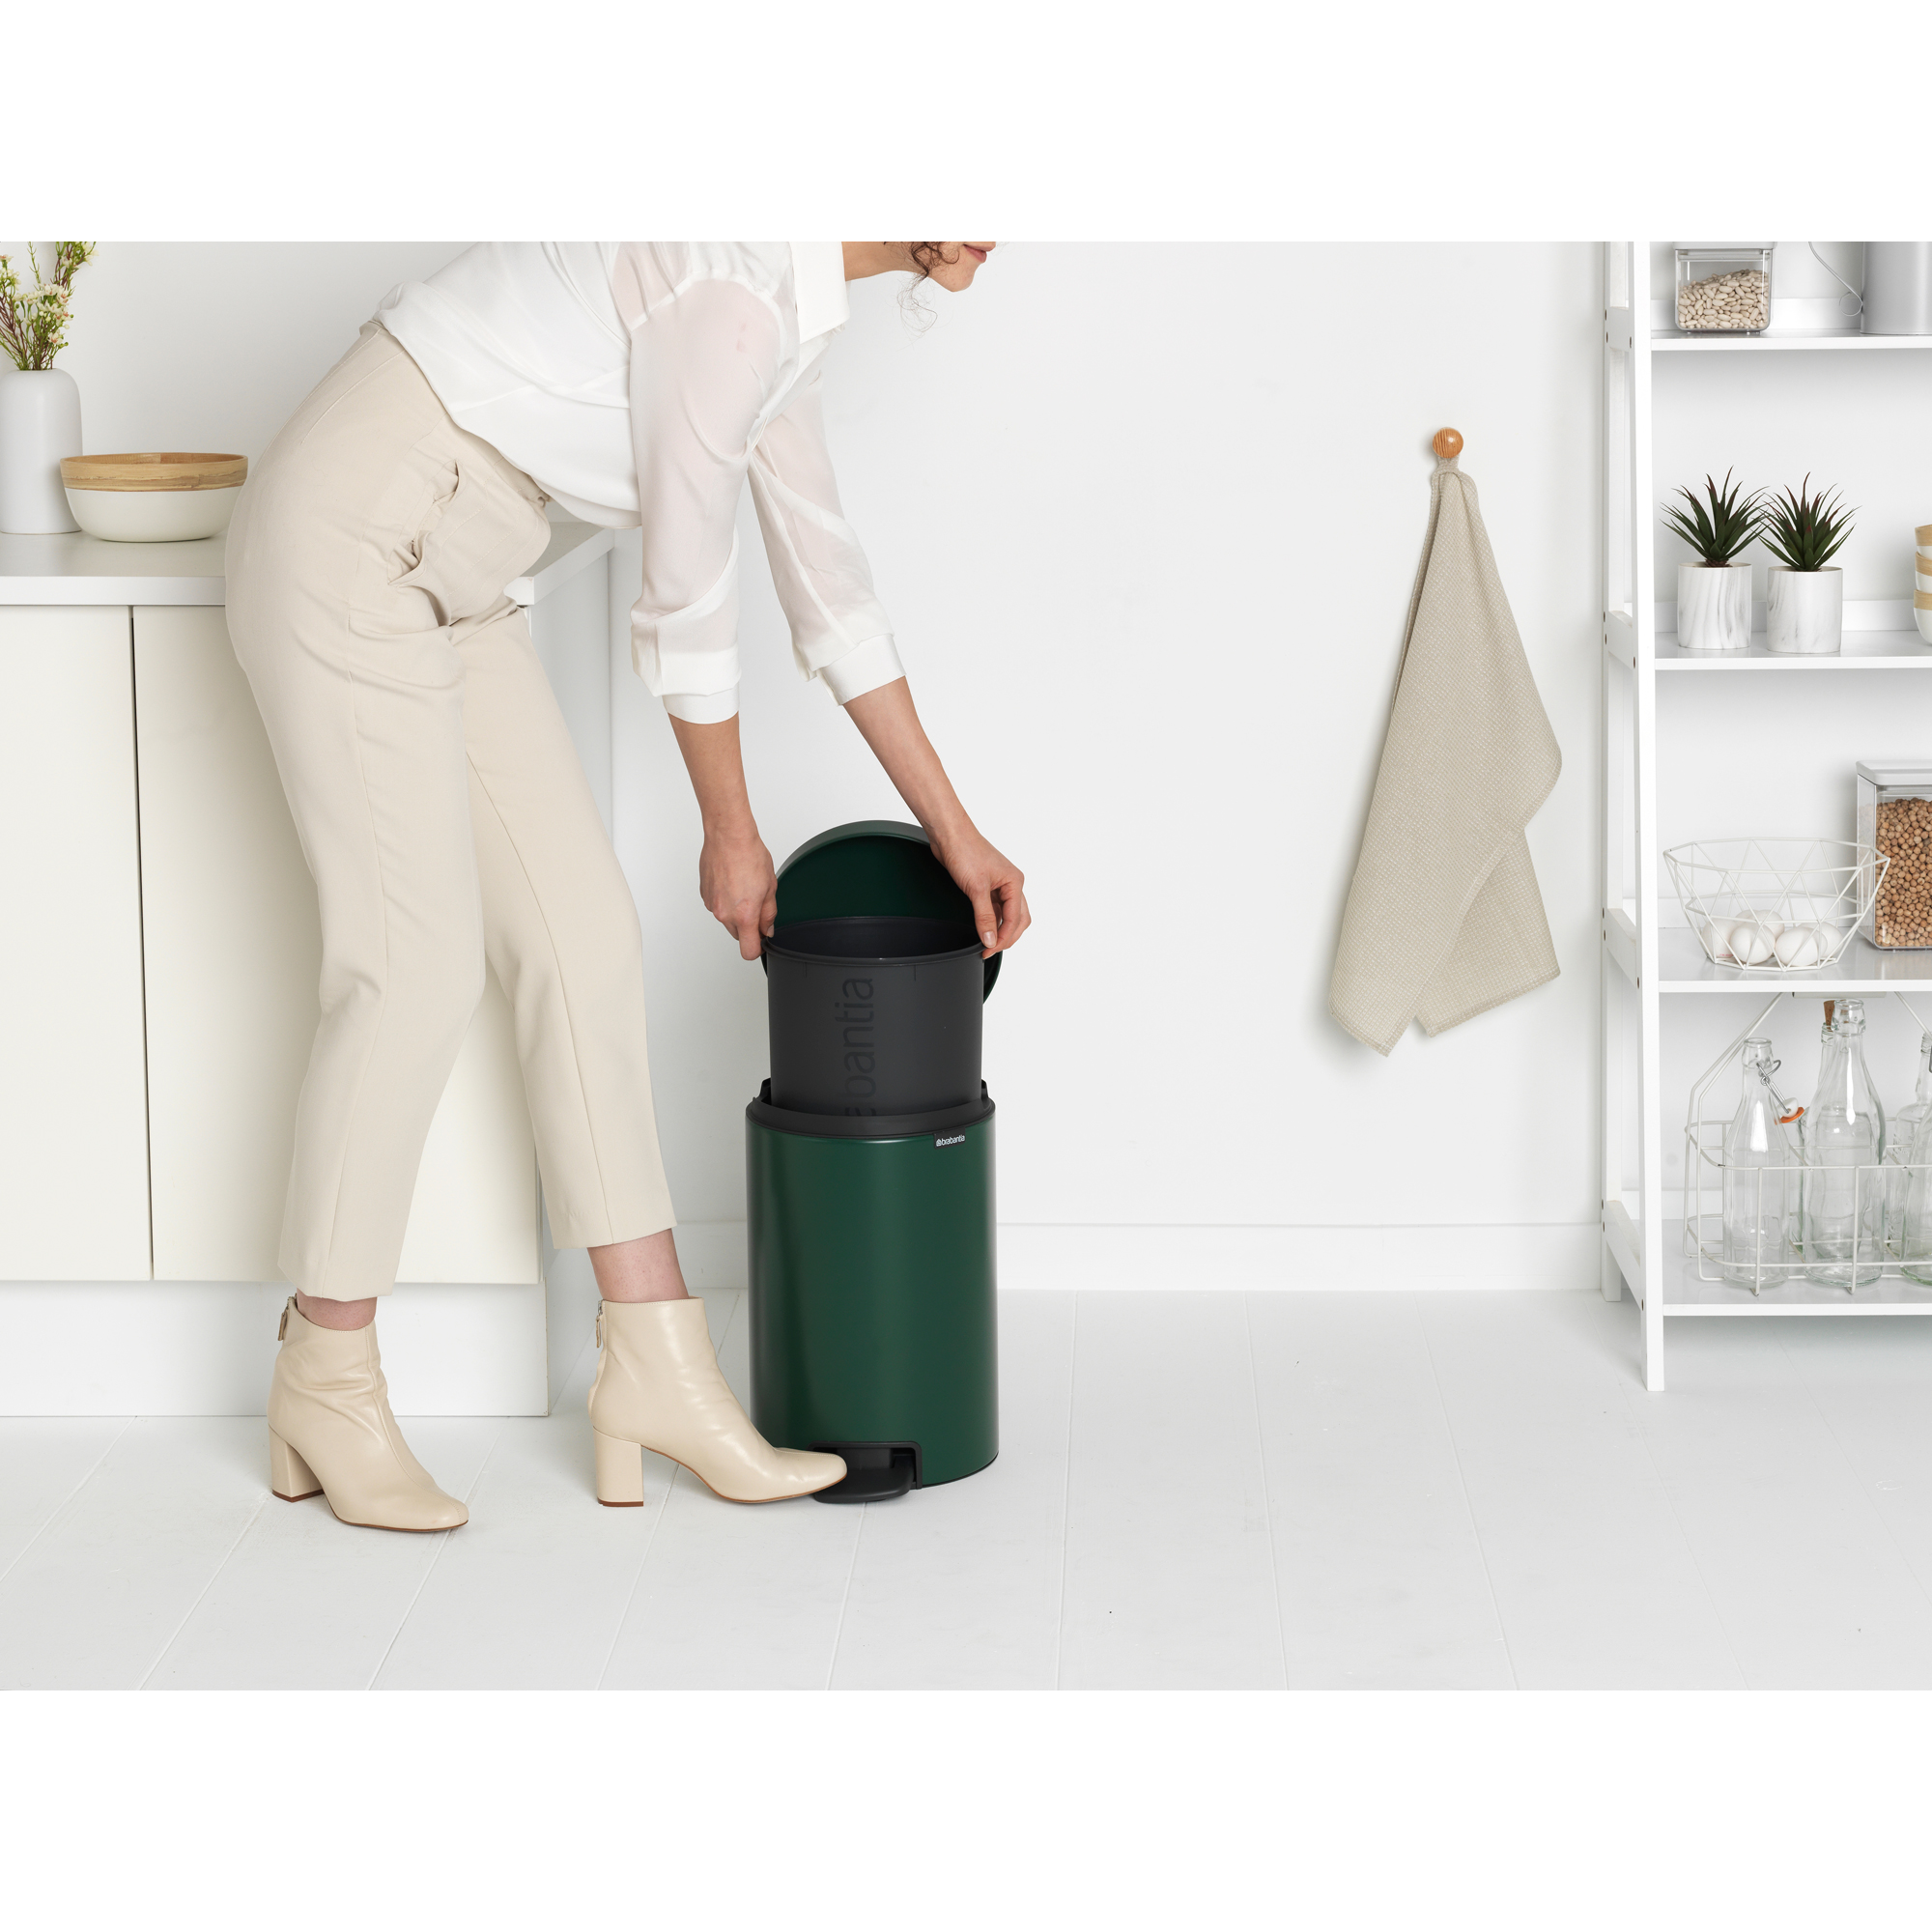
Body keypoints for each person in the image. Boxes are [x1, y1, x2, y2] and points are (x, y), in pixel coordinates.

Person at [224, 242, 1030, 1531]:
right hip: (354, 535)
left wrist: (958, 832)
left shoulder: (788, 313)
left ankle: (657, 1364)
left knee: (583, 940)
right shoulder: (734, 293)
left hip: (458, 570)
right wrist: (731, 831)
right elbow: (688, 593)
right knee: (412, 967)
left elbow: (829, 588)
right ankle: (324, 1374)